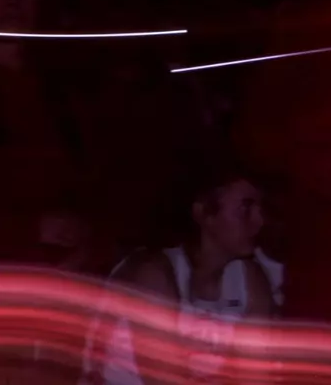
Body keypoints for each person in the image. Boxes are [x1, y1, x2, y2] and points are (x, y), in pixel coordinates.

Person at [84, 162, 278, 384]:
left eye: (260, 210)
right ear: (203, 213)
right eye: (245, 209)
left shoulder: (250, 279)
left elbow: (254, 376)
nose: (259, 222)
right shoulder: (151, 272)